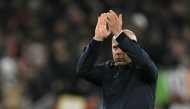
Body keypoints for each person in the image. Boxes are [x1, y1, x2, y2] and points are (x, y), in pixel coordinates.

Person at [77, 10, 158, 109]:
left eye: (123, 47)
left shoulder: (145, 71)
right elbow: (83, 70)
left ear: (132, 47)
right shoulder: (108, 70)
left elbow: (143, 62)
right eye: (115, 48)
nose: (118, 52)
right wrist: (97, 40)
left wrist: (119, 34)